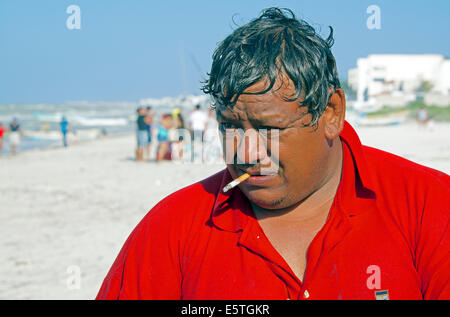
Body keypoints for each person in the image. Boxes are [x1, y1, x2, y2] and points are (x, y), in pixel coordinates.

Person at [97, 8, 449, 300]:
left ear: (331, 113)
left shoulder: (429, 205)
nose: (248, 152)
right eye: (230, 127)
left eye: (272, 129)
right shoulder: (171, 230)